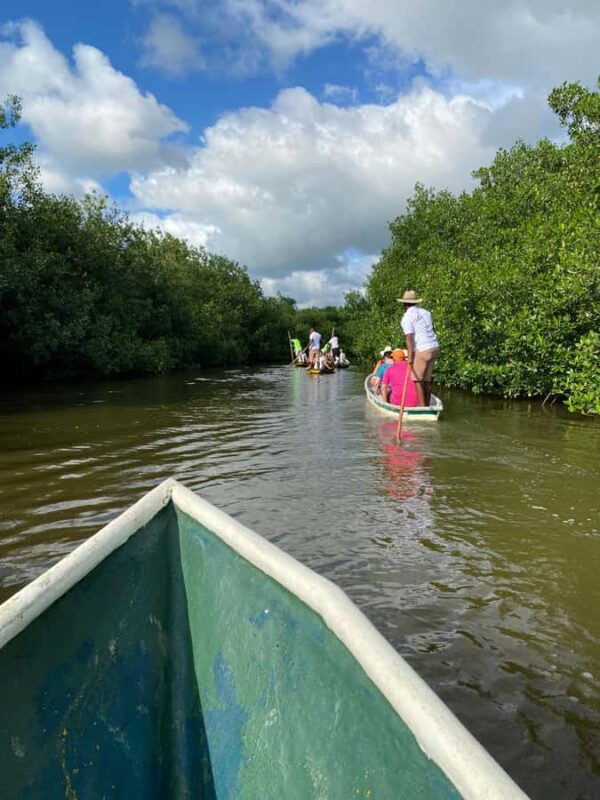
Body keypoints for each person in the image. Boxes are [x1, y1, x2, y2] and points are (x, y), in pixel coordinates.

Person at [398, 290, 439, 407]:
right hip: (434, 347)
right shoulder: (426, 312)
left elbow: (409, 338)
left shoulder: (406, 317)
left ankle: (423, 407)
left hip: (422, 349)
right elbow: (432, 330)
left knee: (417, 379)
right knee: (427, 379)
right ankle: (426, 404)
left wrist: (410, 357)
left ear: (404, 304)